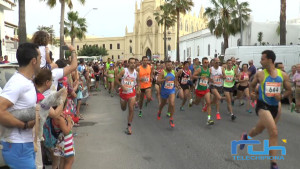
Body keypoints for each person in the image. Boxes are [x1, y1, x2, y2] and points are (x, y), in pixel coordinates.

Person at [240, 50, 291, 169]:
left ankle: (246, 137)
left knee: (258, 130)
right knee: (273, 131)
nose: (260, 61)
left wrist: (282, 96)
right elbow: (251, 85)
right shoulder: (260, 74)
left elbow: (289, 90)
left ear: (270, 60)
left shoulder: (283, 75)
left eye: (262, 59)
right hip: (262, 106)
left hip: (275, 107)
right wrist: (253, 93)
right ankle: (273, 164)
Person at [0, 43, 41, 169]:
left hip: (24, 144)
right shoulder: (17, 83)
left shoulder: (26, 81)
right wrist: (23, 125)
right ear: (33, 61)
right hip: (17, 145)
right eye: (40, 57)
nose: (41, 61)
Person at [116, 58, 139, 135]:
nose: (133, 64)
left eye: (134, 63)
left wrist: (138, 89)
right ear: (128, 63)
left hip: (131, 93)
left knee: (131, 109)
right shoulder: (124, 71)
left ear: (135, 64)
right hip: (123, 93)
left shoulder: (136, 73)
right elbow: (116, 79)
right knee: (123, 108)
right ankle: (122, 102)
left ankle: (129, 126)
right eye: (131, 63)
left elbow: (138, 82)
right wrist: (121, 86)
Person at [189, 57, 214, 125]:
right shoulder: (200, 69)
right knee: (197, 103)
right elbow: (192, 76)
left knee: (208, 102)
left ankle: (209, 119)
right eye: (205, 62)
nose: (207, 63)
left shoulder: (209, 70)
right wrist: (200, 77)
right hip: (199, 89)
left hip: (206, 89)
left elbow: (208, 78)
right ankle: (192, 101)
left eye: (207, 62)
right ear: (202, 63)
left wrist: (210, 80)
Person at [156, 60, 178, 128]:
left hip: (171, 90)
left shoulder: (174, 72)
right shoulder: (163, 73)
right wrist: (164, 79)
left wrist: (177, 85)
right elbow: (158, 81)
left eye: (171, 65)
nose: (170, 66)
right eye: (168, 65)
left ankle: (171, 118)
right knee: (163, 103)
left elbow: (176, 81)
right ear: (165, 65)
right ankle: (159, 111)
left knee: (172, 103)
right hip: (164, 91)